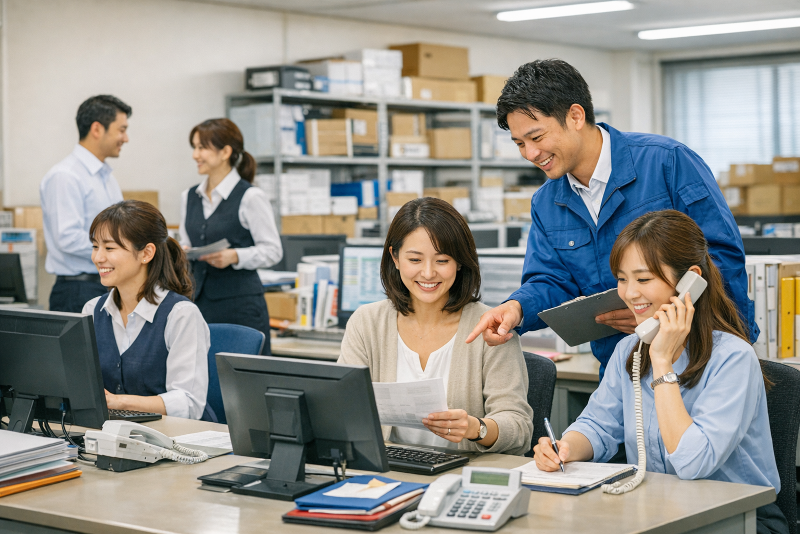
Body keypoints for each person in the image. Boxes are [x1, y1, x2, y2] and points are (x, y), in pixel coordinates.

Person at [466, 59, 755, 379]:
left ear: (576, 116)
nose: (530, 154)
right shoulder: (546, 203)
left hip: (706, 357)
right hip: (625, 367)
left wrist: (660, 314)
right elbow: (550, 281)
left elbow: (721, 257)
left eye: (536, 137)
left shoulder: (668, 162)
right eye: (519, 143)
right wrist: (516, 308)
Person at [533, 210, 787, 534]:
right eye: (622, 279)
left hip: (739, 519)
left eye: (643, 279)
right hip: (661, 508)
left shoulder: (732, 358)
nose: (629, 293)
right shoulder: (630, 349)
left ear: (689, 282)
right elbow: (599, 424)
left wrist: (663, 361)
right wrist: (565, 447)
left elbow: (694, 463)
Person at [339, 197, 532, 454]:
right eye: (415, 260)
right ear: (395, 258)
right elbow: (343, 407)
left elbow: (519, 428)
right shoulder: (367, 322)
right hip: (388, 474)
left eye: (442, 261)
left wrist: (477, 428)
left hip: (462, 477)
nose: (428, 273)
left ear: (460, 262)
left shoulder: (490, 328)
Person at [82, 200, 211, 421]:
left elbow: (188, 404)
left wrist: (119, 402)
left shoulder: (181, 314)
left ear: (146, 253)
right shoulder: (93, 310)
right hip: (112, 438)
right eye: (95, 246)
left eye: (109, 248)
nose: (98, 258)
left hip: (178, 440)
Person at [178, 118, 281, 354]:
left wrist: (235, 256)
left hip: (240, 307)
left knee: (242, 381)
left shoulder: (250, 197)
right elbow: (187, 240)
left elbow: (273, 250)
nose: (195, 155)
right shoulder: (189, 196)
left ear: (225, 152)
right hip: (198, 304)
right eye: (194, 147)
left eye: (202, 147)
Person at [41, 95, 131, 312]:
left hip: (106, 286)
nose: (126, 138)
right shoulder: (65, 176)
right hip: (77, 290)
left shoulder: (106, 176)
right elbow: (67, 238)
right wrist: (123, 248)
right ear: (97, 129)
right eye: (121, 130)